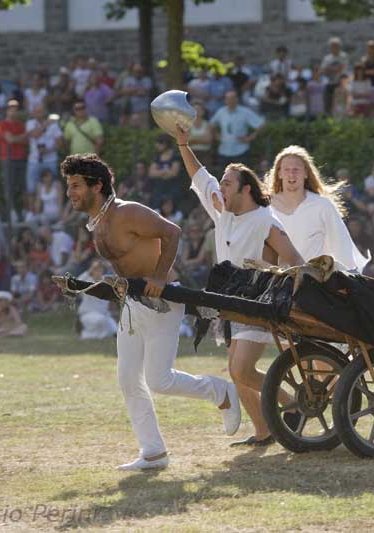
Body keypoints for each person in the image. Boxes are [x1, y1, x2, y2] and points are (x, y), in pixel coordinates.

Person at [62, 152, 241, 471]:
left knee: (159, 380)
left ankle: (221, 392)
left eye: (75, 185)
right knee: (128, 379)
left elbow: (172, 232)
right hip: (133, 304)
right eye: (69, 186)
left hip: (163, 301)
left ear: (97, 185)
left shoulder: (126, 212)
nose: (70, 193)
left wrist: (159, 276)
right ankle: (153, 452)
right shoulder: (97, 221)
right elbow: (128, 260)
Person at [175, 125, 304, 447]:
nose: (220, 188)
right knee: (236, 371)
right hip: (230, 301)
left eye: (227, 183)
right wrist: (182, 144)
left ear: (246, 189)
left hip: (259, 300)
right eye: (221, 184)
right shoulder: (224, 214)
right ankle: (264, 431)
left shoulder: (266, 220)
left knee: (243, 370)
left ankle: (294, 404)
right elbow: (199, 177)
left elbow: (295, 260)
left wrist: (272, 274)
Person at [266, 145, 369, 271]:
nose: (291, 174)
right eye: (286, 170)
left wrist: (349, 279)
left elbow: (341, 245)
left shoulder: (323, 205)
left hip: (314, 282)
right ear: (279, 173)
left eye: (296, 170)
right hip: (276, 283)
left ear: (305, 173)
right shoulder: (266, 207)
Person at [210, 91, 264, 169]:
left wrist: (251, 137)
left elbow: (261, 124)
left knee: (242, 178)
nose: (230, 101)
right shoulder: (221, 112)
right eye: (228, 99)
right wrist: (216, 135)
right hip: (223, 151)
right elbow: (211, 125)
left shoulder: (245, 112)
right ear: (225, 100)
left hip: (241, 151)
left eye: (232, 98)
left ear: (237, 99)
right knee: (223, 178)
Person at [25, 105, 63, 194]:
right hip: (34, 161)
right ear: (33, 113)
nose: (39, 114)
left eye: (41, 111)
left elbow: (60, 143)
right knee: (31, 188)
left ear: (45, 112)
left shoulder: (54, 124)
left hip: (50, 160)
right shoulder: (30, 123)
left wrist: (48, 150)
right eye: (37, 112)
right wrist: (46, 124)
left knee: (54, 186)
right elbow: (35, 134)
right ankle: (32, 208)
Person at [76, 260, 118, 340]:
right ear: (92, 270)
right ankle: (86, 335)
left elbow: (118, 279)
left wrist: (110, 267)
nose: (98, 271)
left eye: (100, 269)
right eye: (95, 269)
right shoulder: (86, 282)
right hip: (88, 315)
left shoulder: (106, 281)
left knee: (116, 330)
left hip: (105, 315)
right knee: (100, 321)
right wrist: (90, 270)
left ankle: (101, 335)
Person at [0, 100, 28, 200]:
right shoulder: (3, 124)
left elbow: (25, 141)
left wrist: (18, 138)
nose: (13, 112)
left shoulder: (21, 124)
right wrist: (25, 136)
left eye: (15, 110)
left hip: (21, 158)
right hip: (8, 158)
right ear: (7, 111)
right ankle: (10, 212)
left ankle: (23, 211)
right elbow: (10, 139)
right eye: (11, 110)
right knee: (9, 187)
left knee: (23, 187)